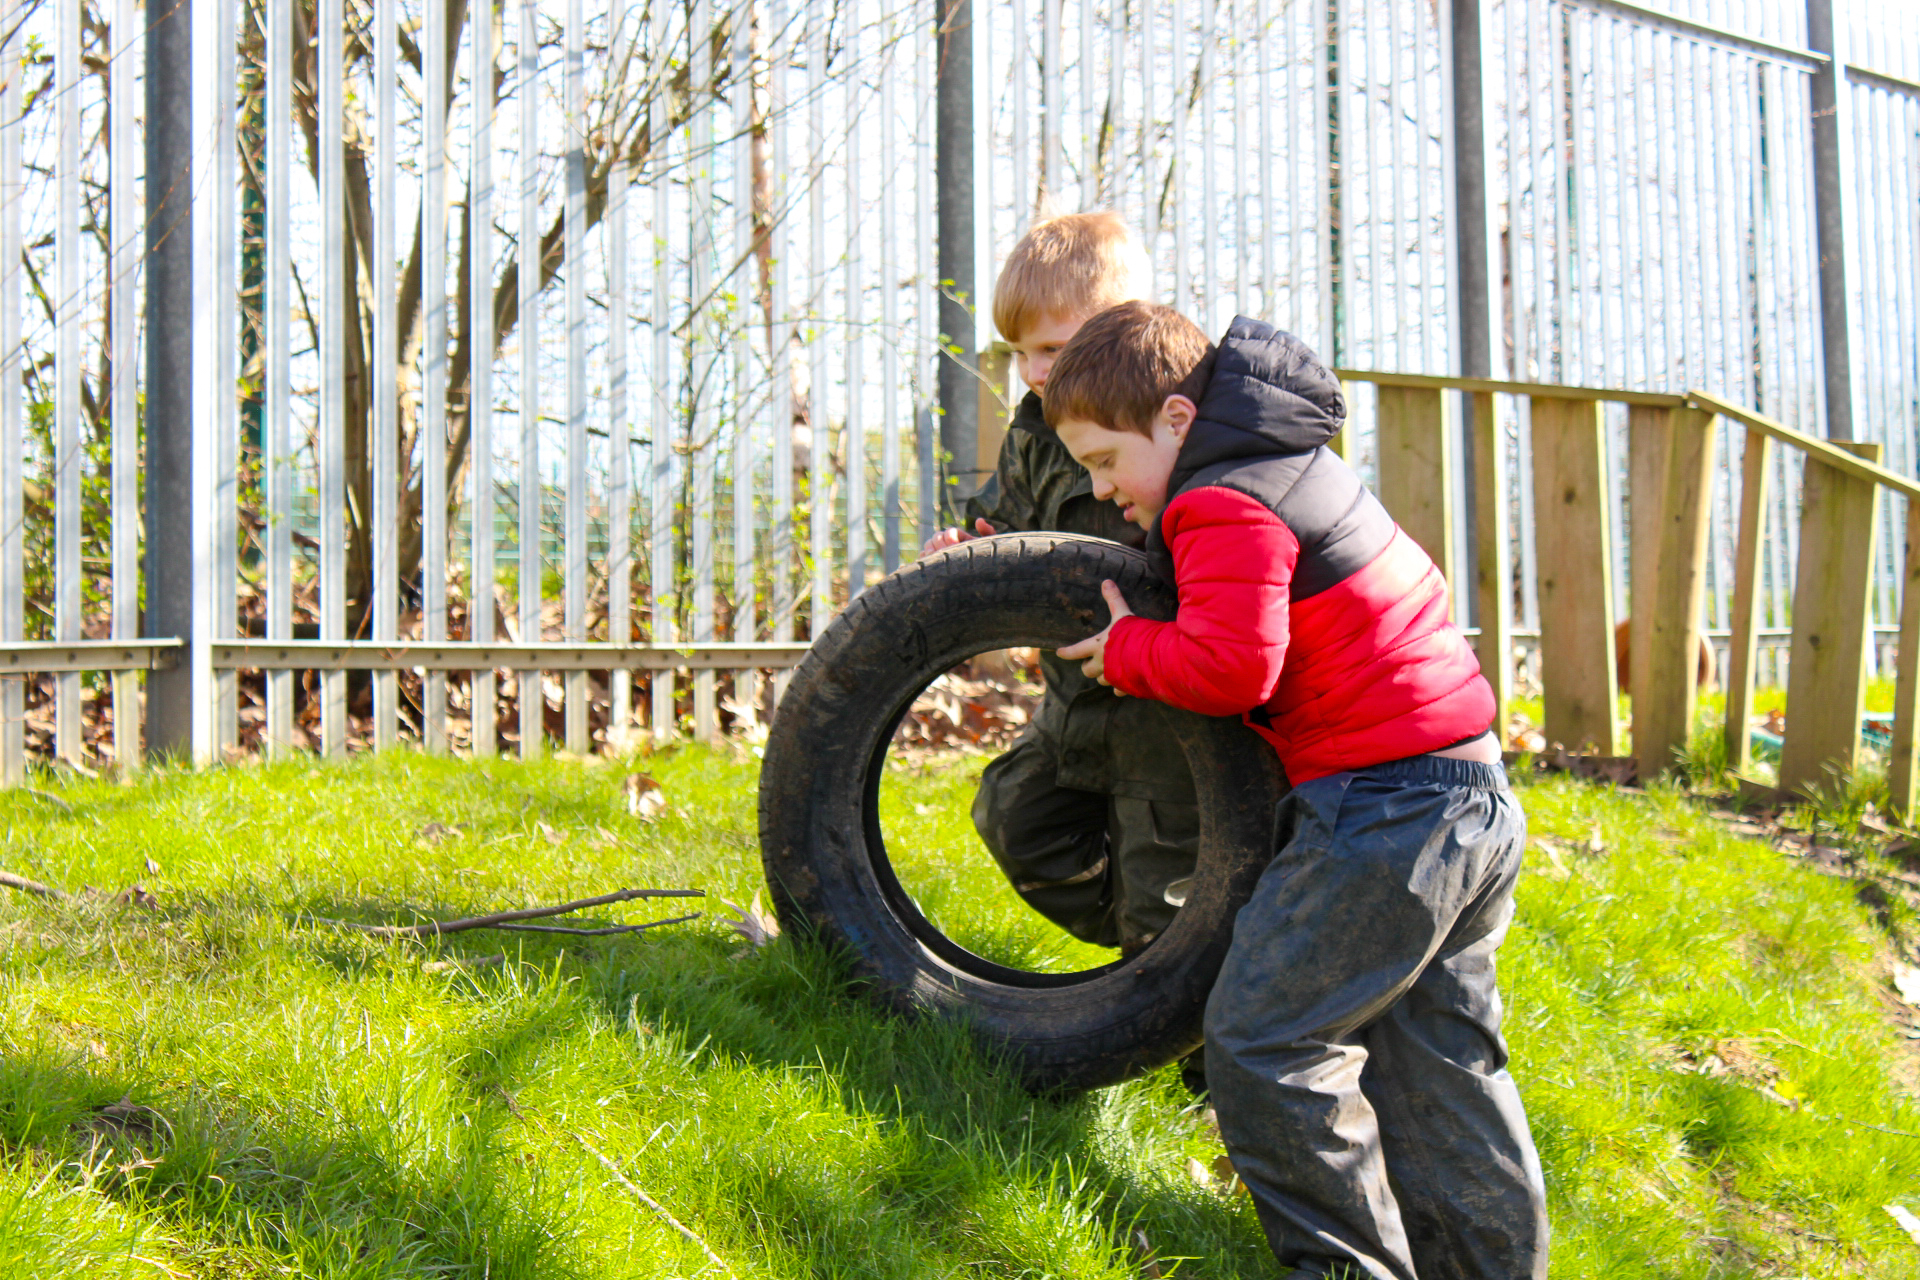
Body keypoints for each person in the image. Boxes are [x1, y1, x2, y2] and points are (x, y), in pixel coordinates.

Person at [1045, 301, 1549, 1280]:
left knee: (1264, 1037)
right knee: (1439, 1063)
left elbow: (1236, 667)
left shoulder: (1218, 498)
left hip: (1386, 811)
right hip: (1471, 792)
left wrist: (1130, 647)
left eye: (1107, 460)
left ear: (1178, 422)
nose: (1104, 490)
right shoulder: (1294, 467)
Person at [923, 212, 1199, 956]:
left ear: (1118, 330)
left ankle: (1198, 1033)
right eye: (1019, 353)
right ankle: (1139, 976)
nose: (1034, 372)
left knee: (1164, 897)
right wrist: (968, 548)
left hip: (1164, 723)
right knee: (1015, 817)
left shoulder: (1172, 439)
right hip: (1074, 701)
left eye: (1050, 348)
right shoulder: (1034, 434)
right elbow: (1005, 526)